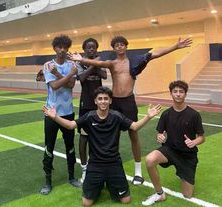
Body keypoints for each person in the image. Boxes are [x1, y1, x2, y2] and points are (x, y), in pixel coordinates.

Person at [68, 36, 193, 185]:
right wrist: (80, 59)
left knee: (134, 134)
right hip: (114, 103)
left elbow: (155, 54)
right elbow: (98, 62)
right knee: (111, 136)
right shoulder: (112, 63)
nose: (120, 47)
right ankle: (110, 166)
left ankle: (138, 171)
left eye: (122, 45)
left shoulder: (134, 61)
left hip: (128, 102)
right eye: (117, 45)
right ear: (114, 48)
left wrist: (175, 46)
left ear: (126, 47)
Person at [43, 86, 162, 206]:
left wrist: (148, 117)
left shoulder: (116, 116)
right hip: (95, 164)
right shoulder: (89, 116)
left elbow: (134, 127)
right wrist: (55, 117)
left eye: (106, 98)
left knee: (126, 200)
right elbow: (70, 125)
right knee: (86, 203)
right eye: (100, 99)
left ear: (110, 101)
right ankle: (99, 185)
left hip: (114, 163)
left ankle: (108, 183)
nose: (103, 101)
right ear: (95, 101)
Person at [142, 80, 205, 206]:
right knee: (150, 160)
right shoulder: (166, 114)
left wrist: (194, 142)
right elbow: (159, 133)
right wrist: (159, 137)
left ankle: (181, 173)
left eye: (181, 92)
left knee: (187, 195)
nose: (178, 94)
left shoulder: (194, 115)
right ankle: (159, 194)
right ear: (171, 94)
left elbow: (202, 137)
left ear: (185, 94)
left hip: (187, 156)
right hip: (170, 150)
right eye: (175, 91)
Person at [40, 34, 81, 195]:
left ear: (68, 48)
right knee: (48, 146)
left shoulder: (72, 64)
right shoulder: (48, 65)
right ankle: (47, 181)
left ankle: (71, 177)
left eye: (65, 47)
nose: (62, 50)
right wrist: (66, 75)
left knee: (70, 146)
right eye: (59, 47)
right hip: (51, 113)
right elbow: (55, 86)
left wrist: (60, 74)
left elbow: (71, 85)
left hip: (68, 113)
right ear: (54, 48)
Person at [78, 38, 107, 183]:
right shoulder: (80, 62)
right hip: (86, 105)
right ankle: (84, 168)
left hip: (100, 105)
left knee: (99, 136)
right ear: (84, 49)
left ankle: (97, 164)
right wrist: (92, 65)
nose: (91, 50)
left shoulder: (99, 62)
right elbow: (82, 78)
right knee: (84, 137)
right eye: (88, 47)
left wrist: (96, 64)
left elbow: (104, 75)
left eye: (93, 48)